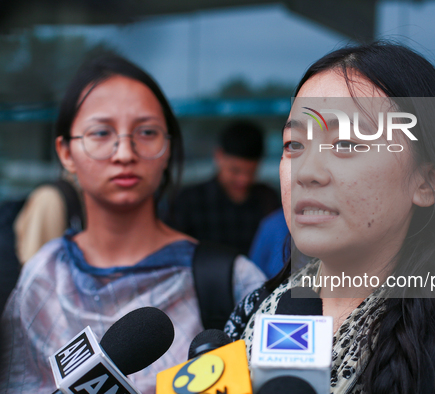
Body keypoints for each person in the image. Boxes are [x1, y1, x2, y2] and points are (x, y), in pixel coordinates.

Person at [225, 42, 435, 393]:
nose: (306, 172)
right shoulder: (257, 311)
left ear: (425, 181)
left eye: (346, 143)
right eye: (294, 145)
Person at [0, 55, 265, 394]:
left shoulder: (231, 279)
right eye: (100, 132)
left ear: (168, 147)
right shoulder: (42, 277)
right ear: (65, 152)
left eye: (147, 132)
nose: (125, 152)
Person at [171, 120, 281, 254]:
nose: (243, 180)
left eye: (251, 172)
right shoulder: (190, 201)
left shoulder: (267, 198)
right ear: (218, 156)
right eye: (235, 171)